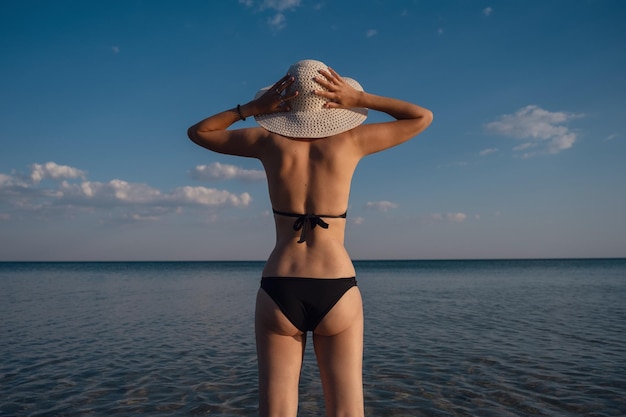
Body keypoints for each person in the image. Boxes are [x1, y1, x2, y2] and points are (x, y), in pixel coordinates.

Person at [187, 59, 432, 417]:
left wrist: (251, 109)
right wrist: (360, 98)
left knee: (277, 411)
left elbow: (200, 132)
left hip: (280, 285)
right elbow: (421, 117)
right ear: (331, 103)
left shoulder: (265, 140)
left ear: (286, 105)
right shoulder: (353, 141)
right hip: (337, 284)